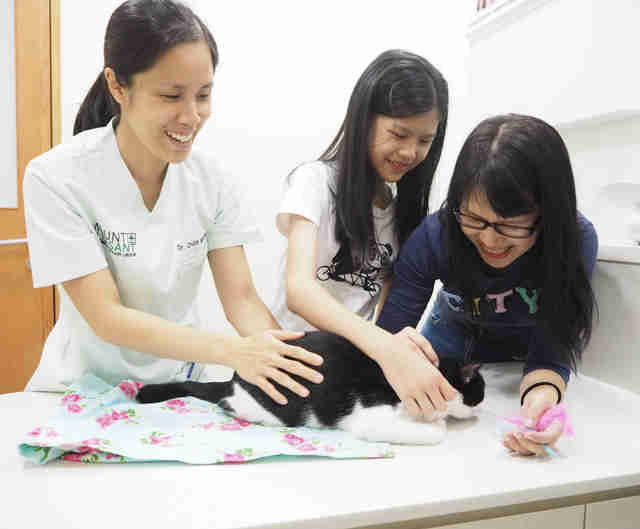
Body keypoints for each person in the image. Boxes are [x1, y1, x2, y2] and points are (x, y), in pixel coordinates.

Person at [23, 0, 324, 405]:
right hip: (78, 389)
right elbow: (106, 317)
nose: (191, 117)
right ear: (117, 86)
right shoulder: (57, 177)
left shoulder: (213, 181)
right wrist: (232, 352)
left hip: (175, 391)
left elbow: (242, 299)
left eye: (203, 95)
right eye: (171, 96)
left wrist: (287, 364)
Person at [377, 114, 598, 456]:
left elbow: (553, 347)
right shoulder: (436, 234)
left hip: (526, 358)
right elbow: (391, 335)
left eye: (509, 225)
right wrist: (402, 366)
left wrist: (542, 406)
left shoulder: (575, 240)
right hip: (450, 345)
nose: (490, 240)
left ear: (549, 213)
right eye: (475, 219)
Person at [270, 49, 459, 420]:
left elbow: (388, 307)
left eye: (424, 141)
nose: (410, 152)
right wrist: (383, 347)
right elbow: (299, 290)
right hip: (292, 366)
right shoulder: (315, 182)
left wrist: (394, 350)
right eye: (399, 134)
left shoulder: (403, 210)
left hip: (348, 371)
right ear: (363, 119)